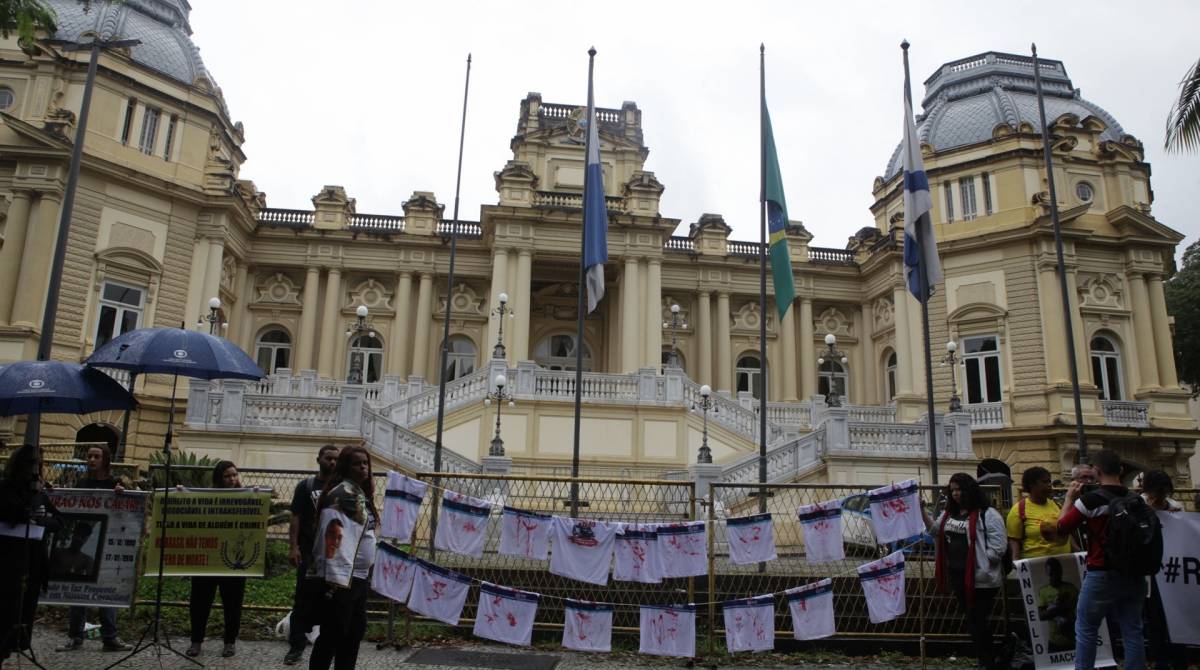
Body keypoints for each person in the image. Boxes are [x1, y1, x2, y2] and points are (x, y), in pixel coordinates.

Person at [1054, 449, 1147, 670]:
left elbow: (1061, 528)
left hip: (1101, 571)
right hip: (1134, 572)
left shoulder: (1091, 500)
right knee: (1132, 628)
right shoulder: (1136, 500)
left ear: (1096, 471)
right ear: (1121, 470)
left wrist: (1069, 498)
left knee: (1086, 628)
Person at [928, 472, 1007, 670]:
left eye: (959, 489)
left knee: (978, 619)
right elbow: (935, 530)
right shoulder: (949, 514)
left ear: (969, 490)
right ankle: (986, 659)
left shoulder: (987, 514)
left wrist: (980, 560)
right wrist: (922, 511)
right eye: (952, 490)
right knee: (972, 620)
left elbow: (998, 547)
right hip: (958, 576)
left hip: (980, 578)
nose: (955, 494)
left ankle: (987, 661)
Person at [56, 444, 131, 653]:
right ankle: (75, 636)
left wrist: (122, 495)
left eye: (96, 456)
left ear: (105, 459)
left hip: (106, 541)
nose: (91, 460)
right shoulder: (82, 482)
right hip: (84, 537)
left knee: (107, 590)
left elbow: (125, 513)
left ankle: (110, 637)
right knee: (79, 589)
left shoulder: (114, 483)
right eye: (89, 456)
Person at [308, 446, 377, 670]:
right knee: (332, 635)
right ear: (346, 466)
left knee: (354, 633)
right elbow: (331, 537)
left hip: (358, 577)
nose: (363, 467)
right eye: (357, 463)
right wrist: (335, 581)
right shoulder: (340, 495)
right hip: (341, 580)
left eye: (366, 463)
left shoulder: (358, 494)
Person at [0, 445, 64, 664]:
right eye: (31, 463)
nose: (35, 468)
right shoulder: (5, 488)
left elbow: (58, 522)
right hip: (8, 559)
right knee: (6, 606)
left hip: (33, 560)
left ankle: (19, 642)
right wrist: (22, 513)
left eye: (38, 464)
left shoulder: (39, 493)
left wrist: (42, 520)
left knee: (26, 605)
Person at [283, 444, 338, 665]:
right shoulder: (306, 486)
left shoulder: (342, 487)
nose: (332, 462)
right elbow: (295, 517)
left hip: (334, 556)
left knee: (331, 601)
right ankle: (296, 645)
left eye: (336, 459)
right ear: (319, 460)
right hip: (309, 554)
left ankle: (327, 645)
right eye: (328, 458)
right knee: (303, 600)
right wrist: (293, 547)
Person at [187, 460, 248, 658]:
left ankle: (230, 642)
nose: (232, 479)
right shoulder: (208, 496)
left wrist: (254, 495)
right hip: (208, 559)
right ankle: (196, 641)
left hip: (233, 559)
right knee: (200, 602)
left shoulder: (246, 497)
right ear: (218, 478)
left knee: (233, 603)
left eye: (234, 475)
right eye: (227, 476)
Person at [1140, 469, 1186, 670]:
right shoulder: (1138, 505)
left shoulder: (1176, 506)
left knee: (1176, 613)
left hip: (1172, 570)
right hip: (1150, 572)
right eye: (1157, 491)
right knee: (1155, 616)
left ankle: (1179, 656)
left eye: (1164, 491)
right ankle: (1160, 658)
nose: (1160, 496)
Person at [1007, 466, 1073, 560]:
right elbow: (1014, 541)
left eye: (1049, 481)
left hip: (1065, 562)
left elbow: (1066, 533)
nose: (1049, 485)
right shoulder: (1018, 510)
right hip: (1036, 566)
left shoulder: (1057, 505)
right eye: (1045, 482)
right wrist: (1016, 564)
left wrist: (1078, 552)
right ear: (1031, 485)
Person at [1036, 557, 1079, 653]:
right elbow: (1041, 616)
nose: (1053, 577)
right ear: (1047, 573)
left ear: (1061, 572)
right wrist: (1060, 607)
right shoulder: (1043, 591)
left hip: (1072, 639)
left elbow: (1081, 613)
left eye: (1056, 573)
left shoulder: (1071, 589)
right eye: (1051, 574)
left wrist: (1053, 610)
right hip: (1054, 642)